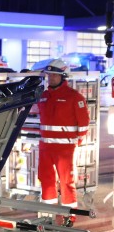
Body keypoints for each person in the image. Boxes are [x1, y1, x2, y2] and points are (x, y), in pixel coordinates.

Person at [37, 58, 90, 218]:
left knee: (66, 182)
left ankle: (69, 216)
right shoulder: (43, 96)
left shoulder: (75, 97)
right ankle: (48, 214)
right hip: (45, 147)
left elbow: (84, 124)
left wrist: (75, 142)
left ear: (63, 76)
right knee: (46, 180)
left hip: (65, 149)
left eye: (54, 75)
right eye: (49, 75)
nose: (50, 78)